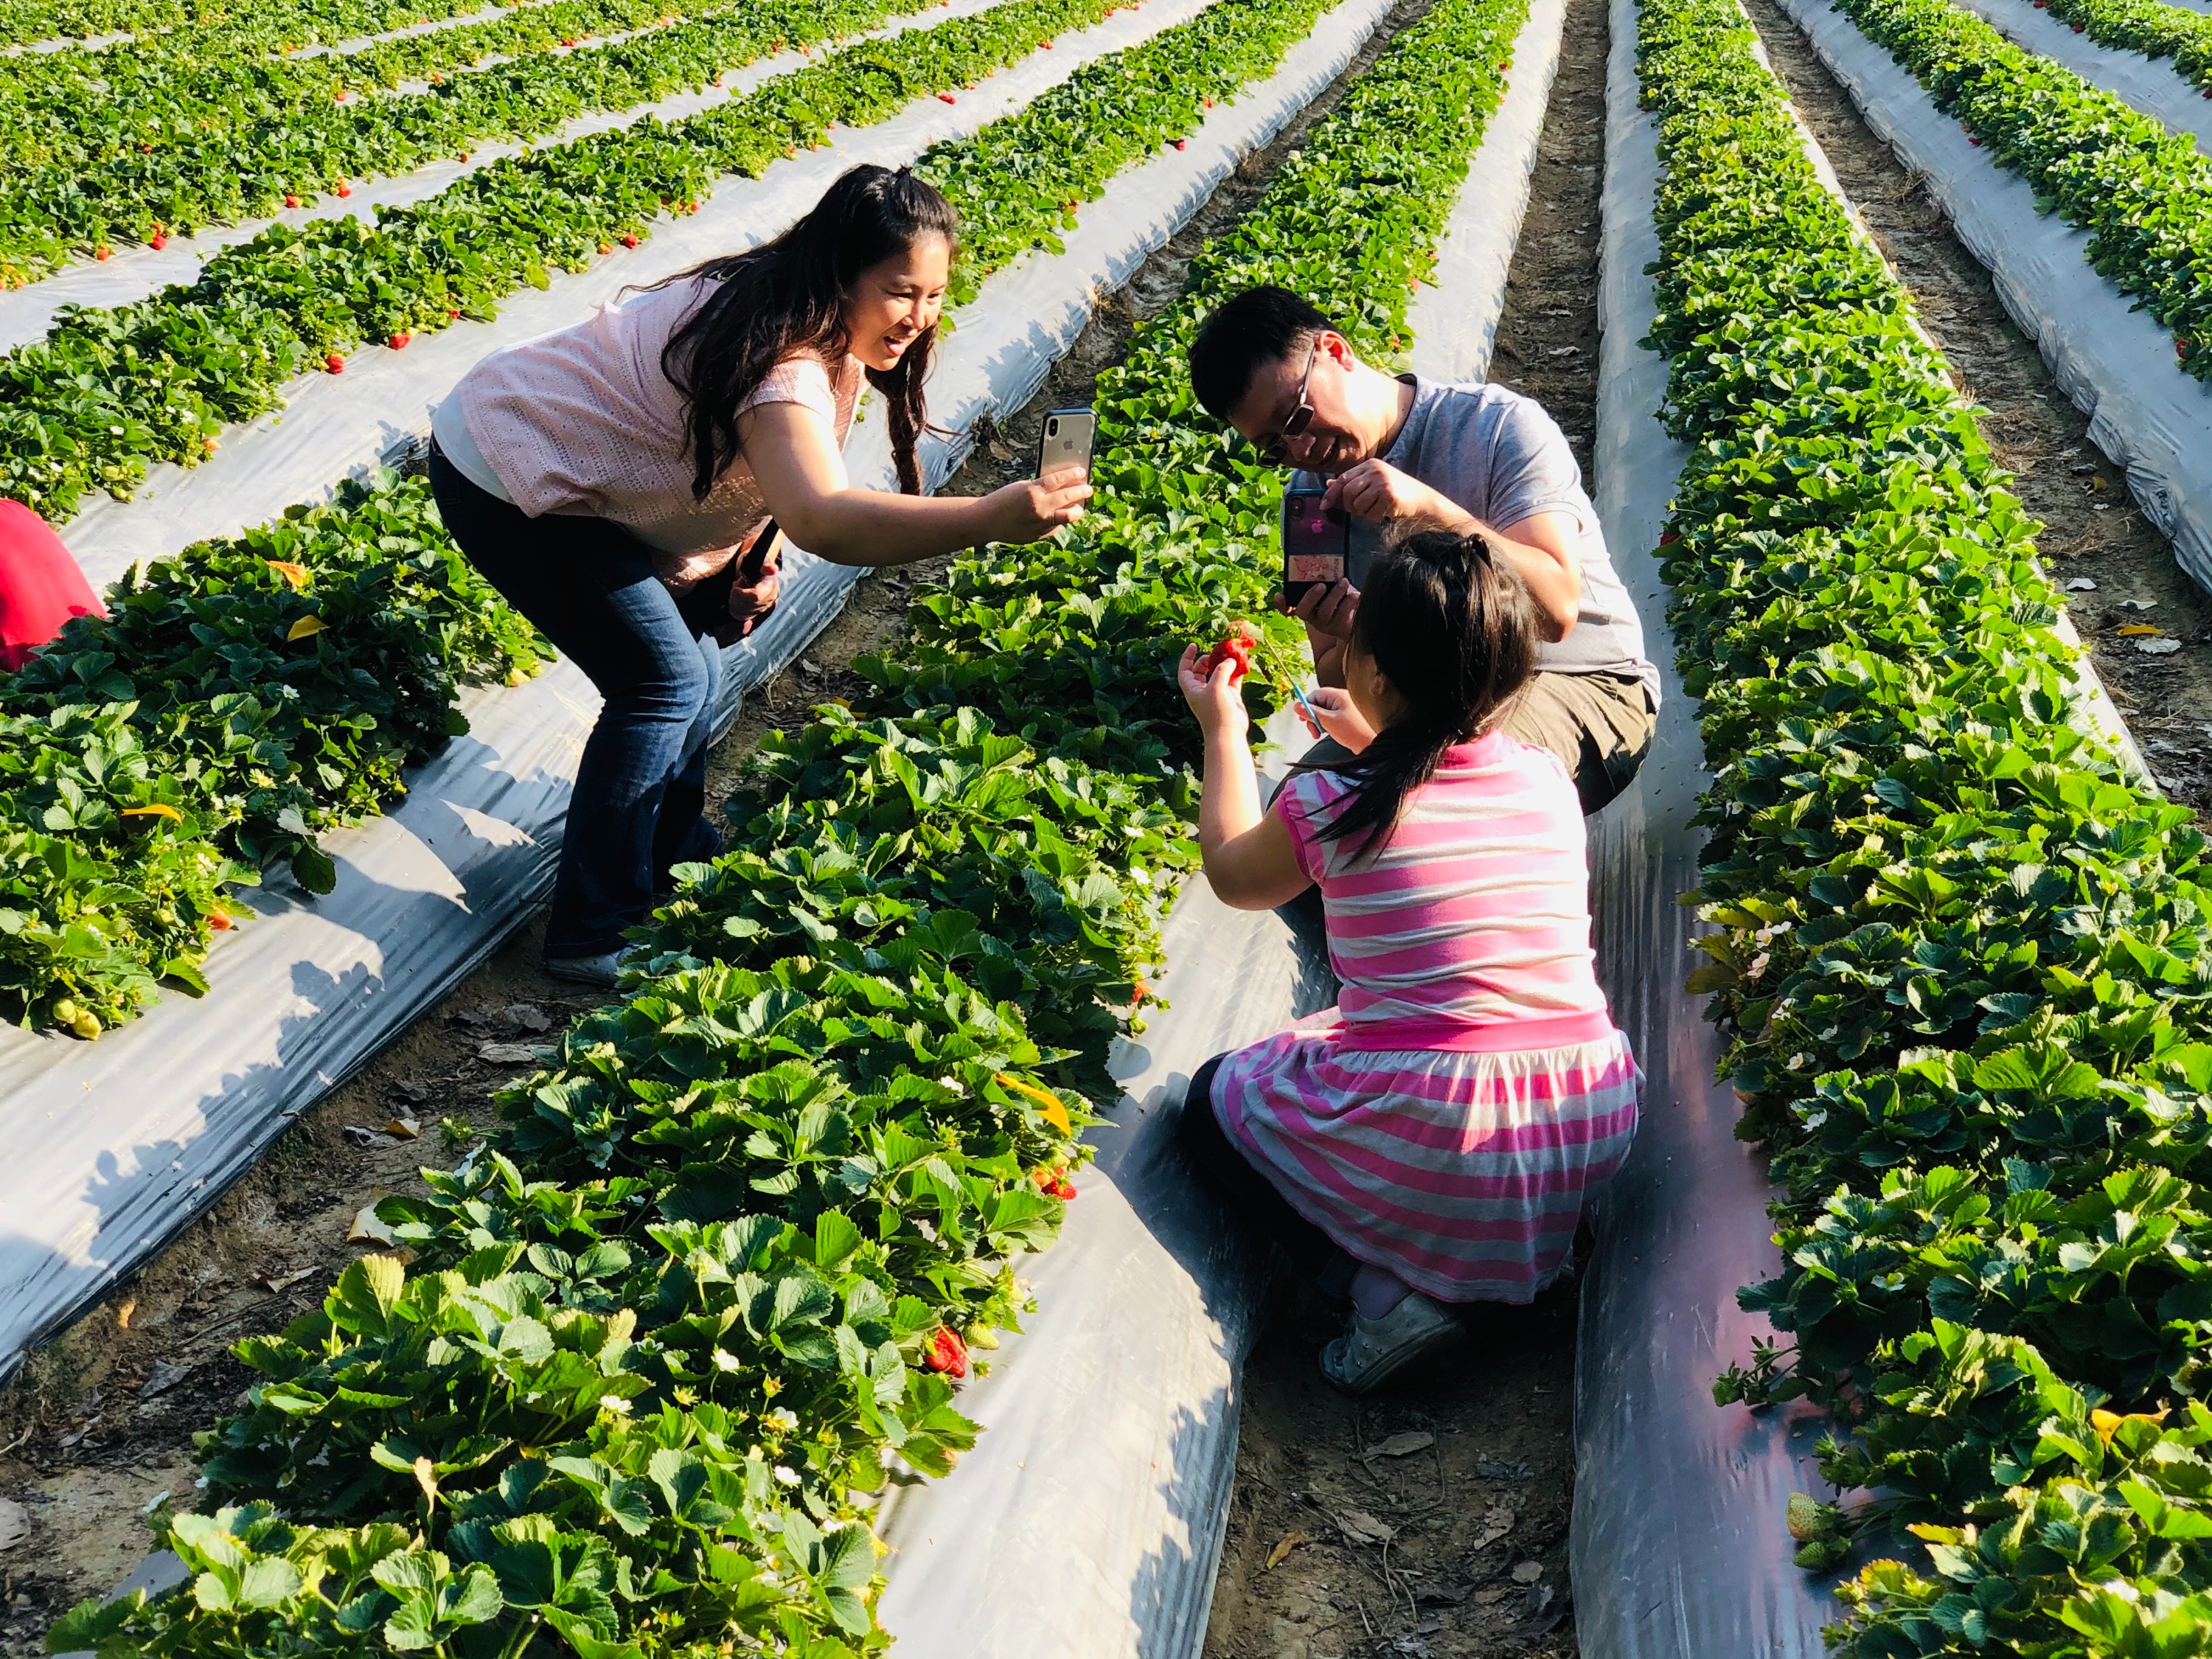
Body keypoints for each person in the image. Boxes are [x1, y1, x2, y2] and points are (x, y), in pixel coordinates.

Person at [428, 164, 1089, 987]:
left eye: (934, 294)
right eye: (900, 292)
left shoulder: (810, 318)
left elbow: (774, 484)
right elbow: (822, 512)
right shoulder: (779, 355)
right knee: (661, 680)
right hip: (506, 467)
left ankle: (675, 863)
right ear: (841, 272)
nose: (919, 317)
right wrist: (988, 518)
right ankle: (591, 931)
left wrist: (753, 548)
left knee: (695, 672)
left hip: (587, 481)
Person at [1174, 531, 1641, 1394]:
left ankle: (1383, 1295)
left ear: (1375, 674)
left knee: (1216, 1101)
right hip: (1588, 1104)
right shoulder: (1543, 777)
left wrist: (1223, 730)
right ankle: (1526, 1249)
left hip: (1453, 1121)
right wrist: (1371, 735)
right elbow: (1434, 775)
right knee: (1390, 1038)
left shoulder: (1330, 805)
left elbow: (1235, 872)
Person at [1186, 285, 1658, 815]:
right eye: (1274, 447)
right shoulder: (1310, 502)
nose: (1299, 449)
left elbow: (1555, 613)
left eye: (1295, 417)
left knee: (1446, 790)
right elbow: (1338, 680)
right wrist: (1359, 633)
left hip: (1577, 681)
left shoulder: (1496, 425)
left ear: (1336, 352)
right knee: (1301, 822)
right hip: (1430, 714)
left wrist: (1430, 509)